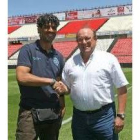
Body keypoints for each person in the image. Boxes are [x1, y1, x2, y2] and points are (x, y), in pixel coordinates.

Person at [54, 27, 128, 140]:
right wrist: (63, 89)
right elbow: (67, 88)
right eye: (80, 39)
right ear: (77, 42)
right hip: (79, 118)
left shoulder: (108, 59)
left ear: (95, 39)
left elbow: (122, 87)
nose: (84, 42)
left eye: (87, 38)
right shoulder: (70, 63)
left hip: (104, 117)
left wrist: (120, 115)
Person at [15, 13, 65, 140]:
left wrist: (62, 104)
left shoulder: (59, 56)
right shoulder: (28, 50)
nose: (50, 30)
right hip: (30, 112)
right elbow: (22, 77)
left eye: (54, 27)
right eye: (47, 27)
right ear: (39, 29)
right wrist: (49, 81)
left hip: (53, 111)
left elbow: (59, 83)